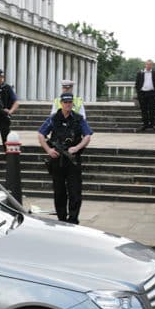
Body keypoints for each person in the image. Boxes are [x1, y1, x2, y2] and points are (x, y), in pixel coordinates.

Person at [38, 92, 93, 224]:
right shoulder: (53, 118)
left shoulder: (79, 119)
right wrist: (49, 150)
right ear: (61, 103)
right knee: (59, 191)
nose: (68, 105)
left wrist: (77, 147)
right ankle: (62, 219)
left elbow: (87, 136)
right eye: (65, 102)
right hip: (57, 160)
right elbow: (41, 134)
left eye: (70, 103)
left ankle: (73, 219)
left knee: (75, 191)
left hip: (73, 160)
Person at [135, 59, 155, 131]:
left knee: (152, 109)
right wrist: (139, 93)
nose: (149, 66)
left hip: (152, 93)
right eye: (147, 64)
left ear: (152, 65)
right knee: (144, 110)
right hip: (142, 93)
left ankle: (153, 124)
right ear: (145, 65)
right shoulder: (140, 73)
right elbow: (137, 84)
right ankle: (145, 124)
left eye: (150, 64)